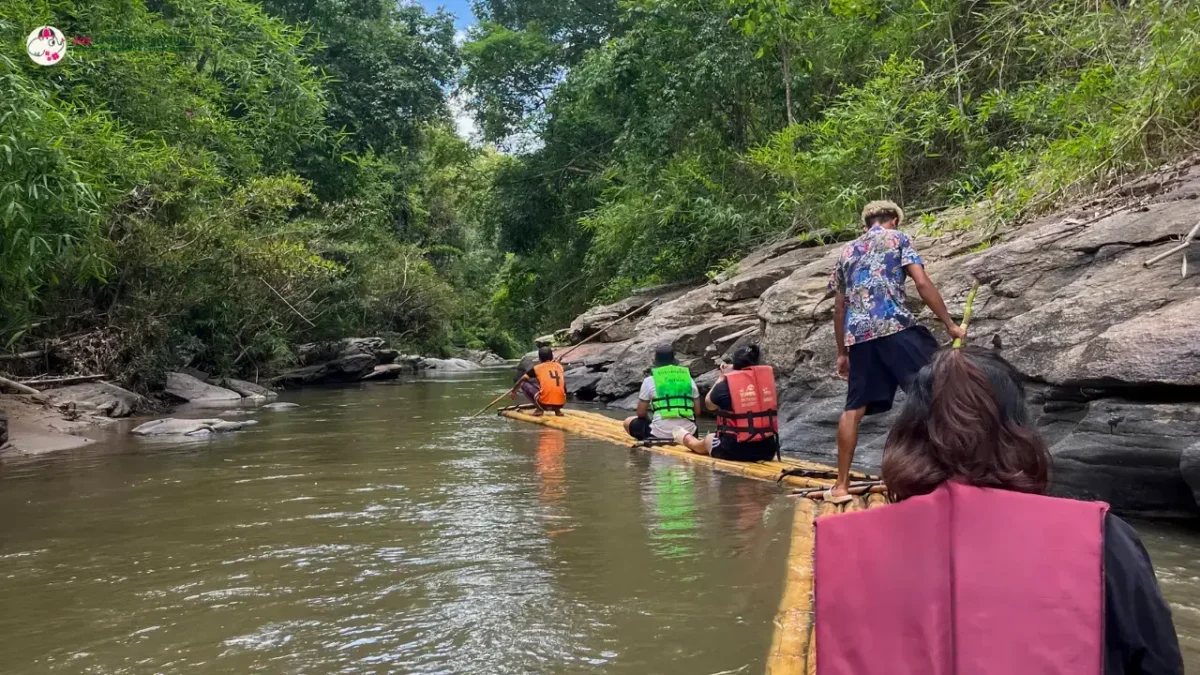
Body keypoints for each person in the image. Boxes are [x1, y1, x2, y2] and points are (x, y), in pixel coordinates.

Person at [813, 347, 1183, 675]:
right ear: (1020, 433)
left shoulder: (839, 546)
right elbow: (1158, 662)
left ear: (907, 437)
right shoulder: (1104, 537)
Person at [827, 199, 966, 503]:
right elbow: (921, 282)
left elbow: (839, 307)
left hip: (859, 337)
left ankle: (840, 486)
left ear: (866, 224)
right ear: (894, 220)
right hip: (896, 327)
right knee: (940, 382)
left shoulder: (847, 251)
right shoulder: (899, 239)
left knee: (853, 409)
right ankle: (952, 470)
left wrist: (842, 352)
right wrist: (950, 325)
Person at [672, 344, 780, 462]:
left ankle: (688, 440)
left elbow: (709, 404)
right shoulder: (766, 384)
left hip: (733, 450)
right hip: (768, 450)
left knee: (708, 439)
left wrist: (722, 377)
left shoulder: (726, 385)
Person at [624, 344, 700, 442]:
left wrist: (652, 421)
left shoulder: (649, 380)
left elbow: (641, 413)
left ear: (656, 362)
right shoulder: (688, 379)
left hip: (659, 434)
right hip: (689, 433)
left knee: (628, 422)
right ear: (673, 361)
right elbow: (697, 412)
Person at [514, 347, 566, 416]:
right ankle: (557, 410)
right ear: (552, 356)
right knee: (561, 385)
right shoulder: (560, 366)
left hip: (544, 404)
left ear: (540, 359)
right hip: (561, 403)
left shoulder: (537, 368)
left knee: (523, 384)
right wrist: (558, 361)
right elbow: (554, 366)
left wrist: (513, 391)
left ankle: (539, 409)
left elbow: (521, 379)